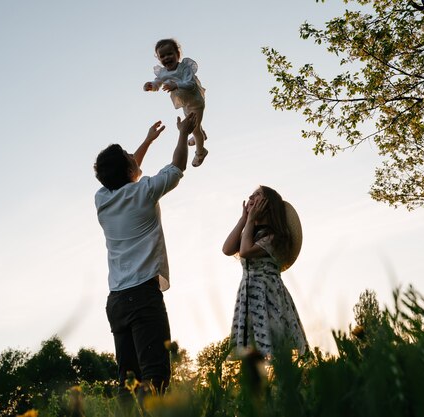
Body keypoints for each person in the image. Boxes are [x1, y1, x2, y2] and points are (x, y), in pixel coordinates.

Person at [93, 113, 197, 406]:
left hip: (116, 301)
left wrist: (148, 141)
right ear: (127, 168)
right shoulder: (144, 192)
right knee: (155, 377)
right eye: (129, 155)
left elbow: (126, 172)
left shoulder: (102, 199)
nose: (133, 156)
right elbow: (177, 167)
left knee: (127, 382)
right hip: (142, 297)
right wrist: (182, 134)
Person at [222, 186, 309, 359]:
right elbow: (227, 249)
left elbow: (245, 251)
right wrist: (244, 219)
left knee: (275, 345)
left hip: (267, 292)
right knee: (252, 349)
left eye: (257, 194)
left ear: (267, 204)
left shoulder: (274, 237)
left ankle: (282, 381)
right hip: (248, 292)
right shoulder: (250, 233)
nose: (250, 196)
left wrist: (250, 219)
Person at [143, 38, 208, 168]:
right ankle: (200, 133)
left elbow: (190, 84)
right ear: (159, 59)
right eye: (163, 56)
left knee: (194, 129)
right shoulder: (163, 72)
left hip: (196, 102)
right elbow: (158, 82)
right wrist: (151, 86)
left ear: (178, 54)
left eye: (170, 54)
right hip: (185, 103)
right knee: (195, 125)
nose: (166, 58)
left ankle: (201, 152)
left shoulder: (184, 68)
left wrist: (176, 85)